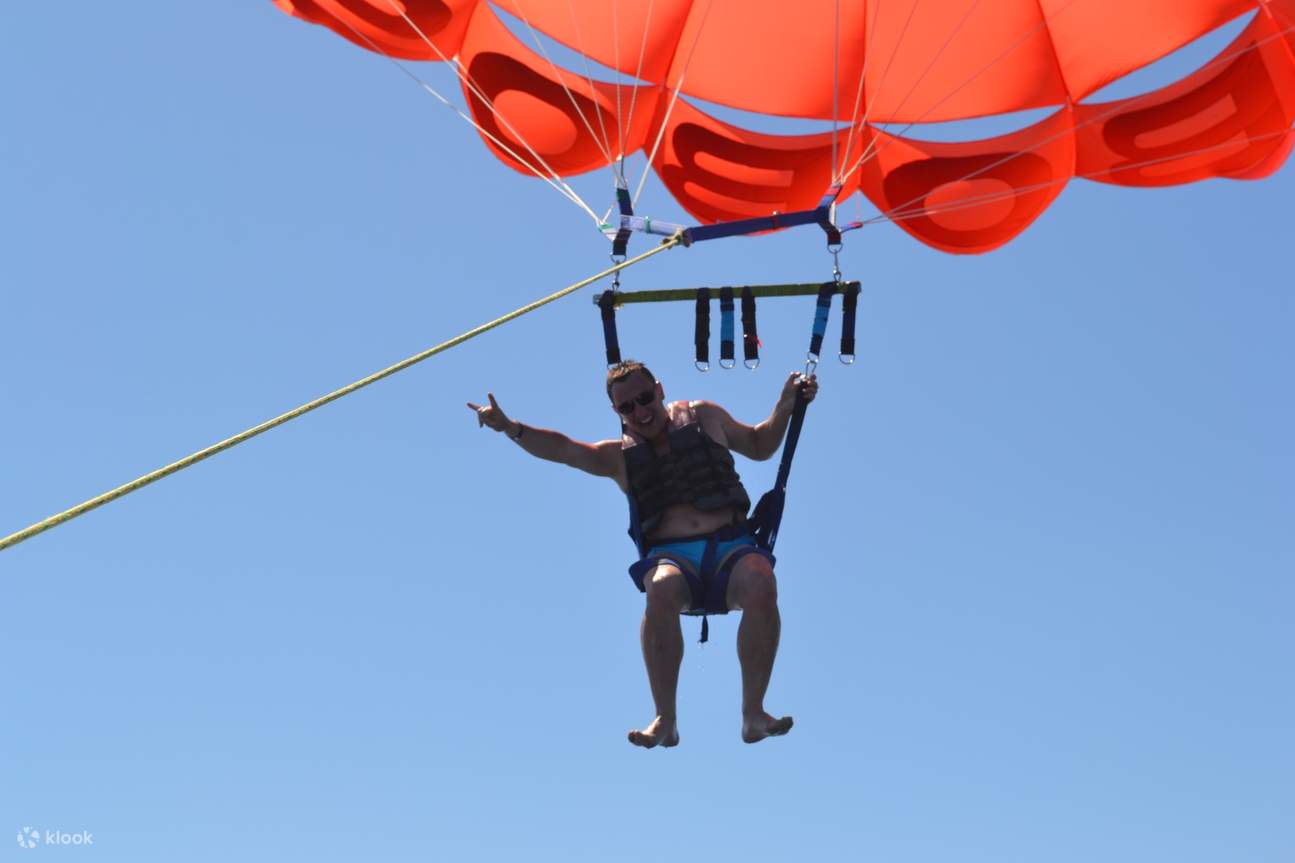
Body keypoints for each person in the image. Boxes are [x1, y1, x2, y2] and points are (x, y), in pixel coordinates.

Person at [468, 360, 817, 748]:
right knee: (661, 587)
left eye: (645, 398)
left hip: (732, 550)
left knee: (761, 576)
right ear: (616, 411)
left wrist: (785, 406)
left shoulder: (705, 417)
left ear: (660, 390)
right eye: (627, 407)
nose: (640, 411)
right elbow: (563, 449)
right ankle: (665, 719)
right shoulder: (617, 456)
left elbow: (759, 444)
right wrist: (511, 427)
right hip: (674, 561)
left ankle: (753, 714)